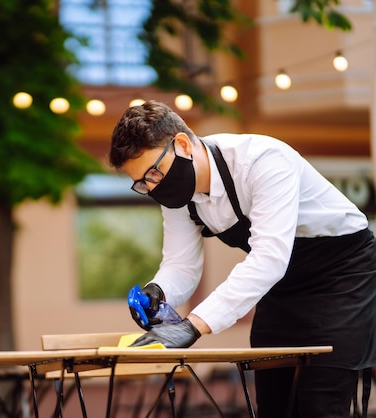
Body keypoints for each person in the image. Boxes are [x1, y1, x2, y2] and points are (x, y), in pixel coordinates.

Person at [109, 100, 376, 418]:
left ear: (182, 144)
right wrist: (159, 291)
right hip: (281, 285)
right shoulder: (177, 193)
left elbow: (268, 257)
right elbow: (181, 265)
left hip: (342, 274)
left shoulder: (262, 160)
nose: (153, 187)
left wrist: (193, 325)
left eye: (154, 172)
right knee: (273, 404)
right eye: (143, 182)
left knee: (320, 405)